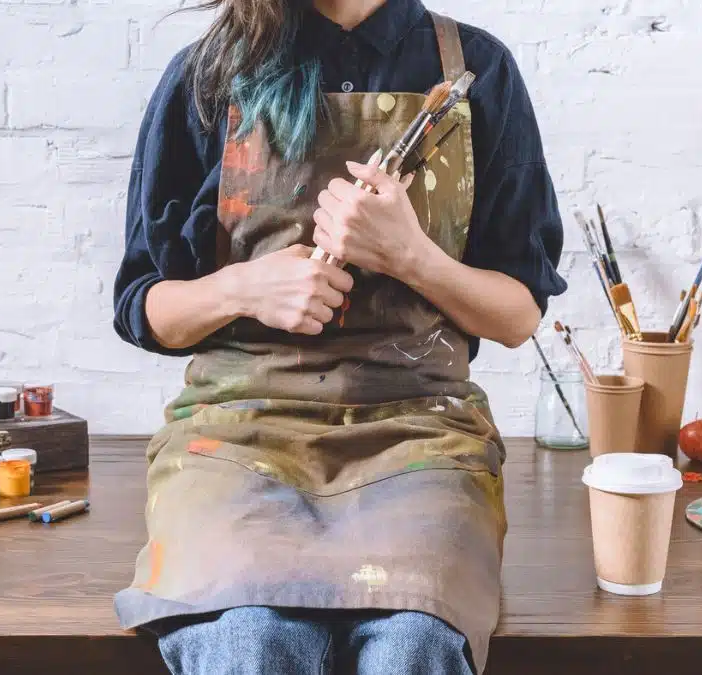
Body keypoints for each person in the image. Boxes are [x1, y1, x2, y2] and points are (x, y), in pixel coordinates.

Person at [111, 0, 566, 672]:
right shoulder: (207, 76)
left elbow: (518, 313)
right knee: (254, 640)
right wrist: (245, 288)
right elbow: (143, 305)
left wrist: (411, 255)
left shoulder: (476, 71)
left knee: (412, 641)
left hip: (422, 437)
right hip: (235, 436)